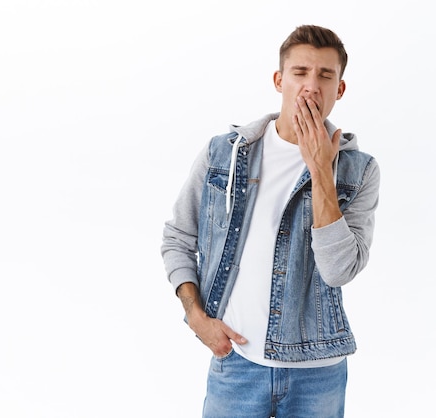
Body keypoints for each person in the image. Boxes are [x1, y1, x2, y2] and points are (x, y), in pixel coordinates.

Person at [161, 25, 379, 418]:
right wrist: (196, 317)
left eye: (325, 75)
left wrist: (320, 174)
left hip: (318, 373)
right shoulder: (224, 154)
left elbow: (338, 270)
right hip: (236, 363)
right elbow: (178, 236)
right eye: (300, 73)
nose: (311, 85)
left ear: (340, 89)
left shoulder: (358, 171)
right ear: (280, 80)